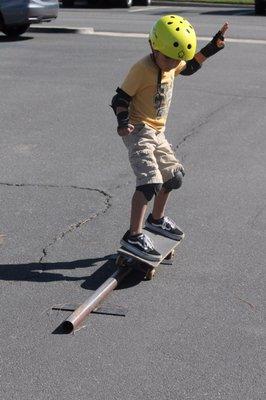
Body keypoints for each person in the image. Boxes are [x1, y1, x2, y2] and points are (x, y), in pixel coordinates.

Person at [111, 15, 229, 261]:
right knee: (149, 182)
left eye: (176, 60)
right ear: (153, 46)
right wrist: (123, 122)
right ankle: (133, 235)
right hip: (138, 130)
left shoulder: (172, 63)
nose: (171, 64)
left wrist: (213, 47)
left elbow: (192, 66)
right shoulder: (141, 68)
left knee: (173, 177)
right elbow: (120, 98)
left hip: (157, 132)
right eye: (167, 58)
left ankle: (156, 220)